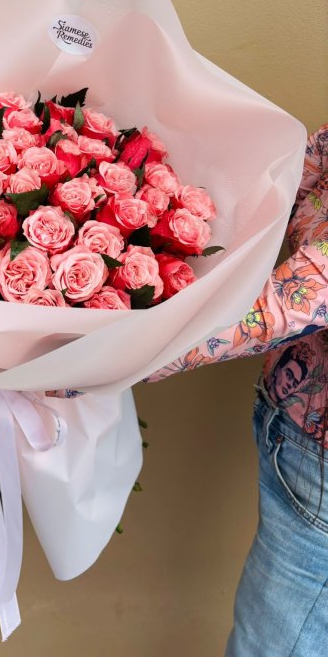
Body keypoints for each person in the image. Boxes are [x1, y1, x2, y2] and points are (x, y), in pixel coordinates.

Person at [148, 125, 327, 655]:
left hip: (319, 467)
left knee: (278, 642)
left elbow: (295, 298)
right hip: (291, 425)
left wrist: (104, 358)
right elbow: (304, 165)